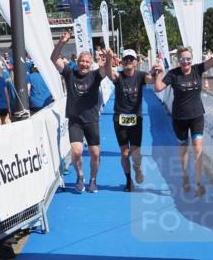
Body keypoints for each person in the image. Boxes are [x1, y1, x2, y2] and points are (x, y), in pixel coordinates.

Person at [154, 27, 213, 196]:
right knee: (184, 148)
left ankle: (199, 183)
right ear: (178, 60)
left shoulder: (197, 69)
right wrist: (158, 73)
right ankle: (185, 175)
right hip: (179, 117)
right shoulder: (173, 74)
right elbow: (158, 88)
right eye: (182, 60)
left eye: (188, 59)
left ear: (191, 59)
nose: (186, 63)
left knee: (198, 147)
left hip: (196, 116)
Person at [52, 31, 113, 193]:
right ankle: (80, 177)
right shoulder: (69, 73)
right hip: (75, 120)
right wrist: (62, 43)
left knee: (94, 154)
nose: (84, 64)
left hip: (92, 120)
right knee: (77, 151)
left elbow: (106, 71)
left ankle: (93, 180)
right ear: (78, 62)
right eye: (82, 61)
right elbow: (54, 59)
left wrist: (109, 59)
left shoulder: (95, 76)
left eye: (87, 62)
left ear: (91, 63)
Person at [109, 49, 155, 192]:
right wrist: (109, 59)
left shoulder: (141, 75)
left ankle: (137, 167)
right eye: (125, 59)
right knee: (124, 153)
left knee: (136, 154)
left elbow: (152, 80)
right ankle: (129, 181)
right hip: (120, 119)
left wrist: (156, 72)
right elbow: (110, 74)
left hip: (136, 119)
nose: (128, 61)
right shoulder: (119, 75)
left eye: (131, 59)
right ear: (122, 62)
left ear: (136, 62)